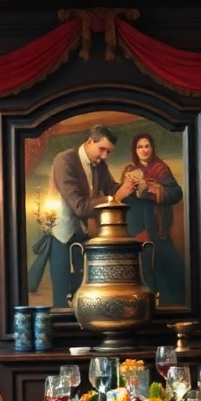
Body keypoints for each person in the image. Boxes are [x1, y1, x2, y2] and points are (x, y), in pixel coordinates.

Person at [47, 124, 134, 308]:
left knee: (83, 295)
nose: (104, 156)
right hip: (62, 238)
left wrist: (131, 185)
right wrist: (115, 197)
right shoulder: (65, 160)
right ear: (89, 141)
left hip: (83, 237)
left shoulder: (100, 164)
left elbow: (113, 188)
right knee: (62, 300)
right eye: (102, 149)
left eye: (108, 152)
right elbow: (80, 207)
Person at [119, 132, 185, 306]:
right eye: (140, 146)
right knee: (144, 269)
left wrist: (156, 189)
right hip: (137, 228)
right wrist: (130, 188)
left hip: (158, 228)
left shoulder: (161, 169)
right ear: (135, 150)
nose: (144, 150)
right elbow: (123, 199)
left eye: (146, 146)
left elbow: (176, 193)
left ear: (152, 148)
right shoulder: (128, 171)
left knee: (171, 267)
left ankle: (171, 306)